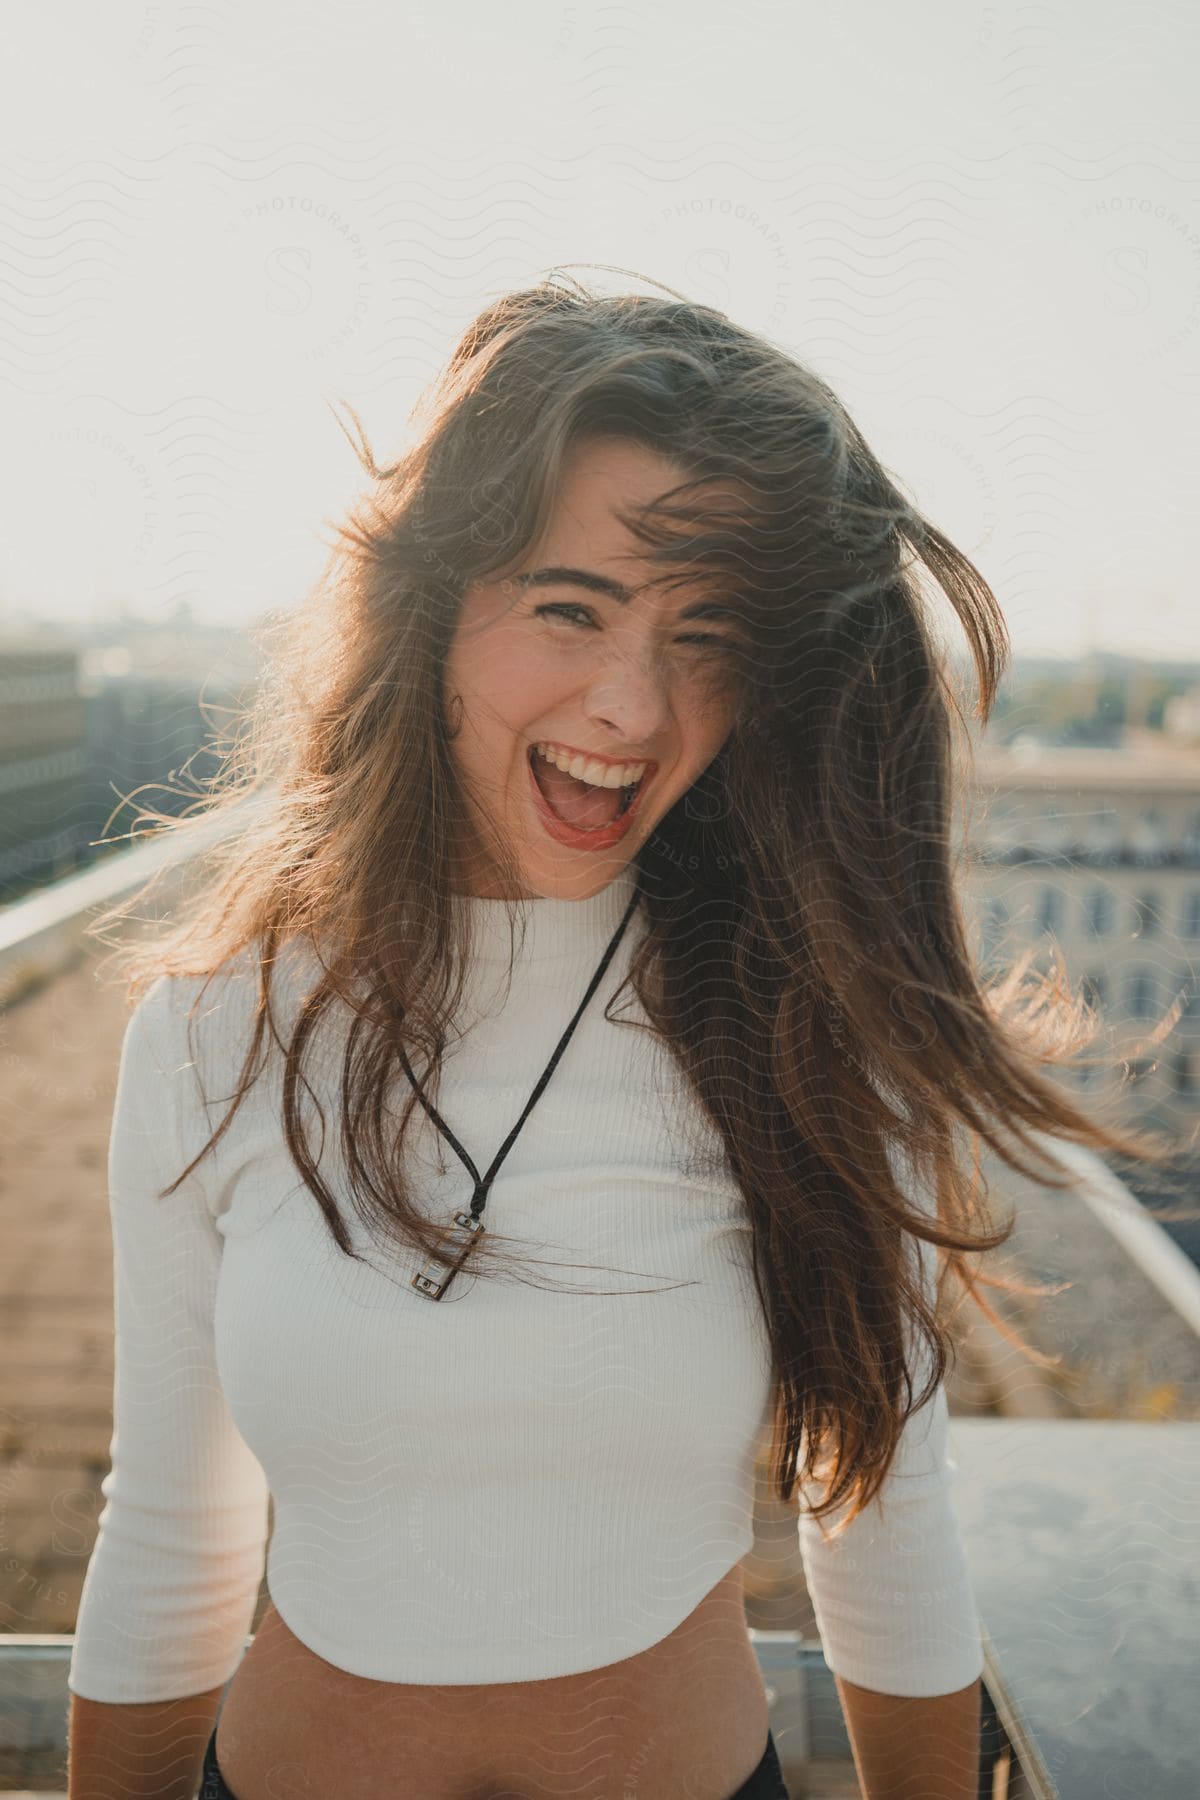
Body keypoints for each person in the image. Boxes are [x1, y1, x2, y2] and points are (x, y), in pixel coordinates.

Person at [65, 275, 1171, 1800]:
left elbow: (890, 1517)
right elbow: (174, 1532)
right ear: (433, 609)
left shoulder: (811, 1028)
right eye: (570, 608)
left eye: (707, 635)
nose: (633, 708)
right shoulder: (217, 1030)